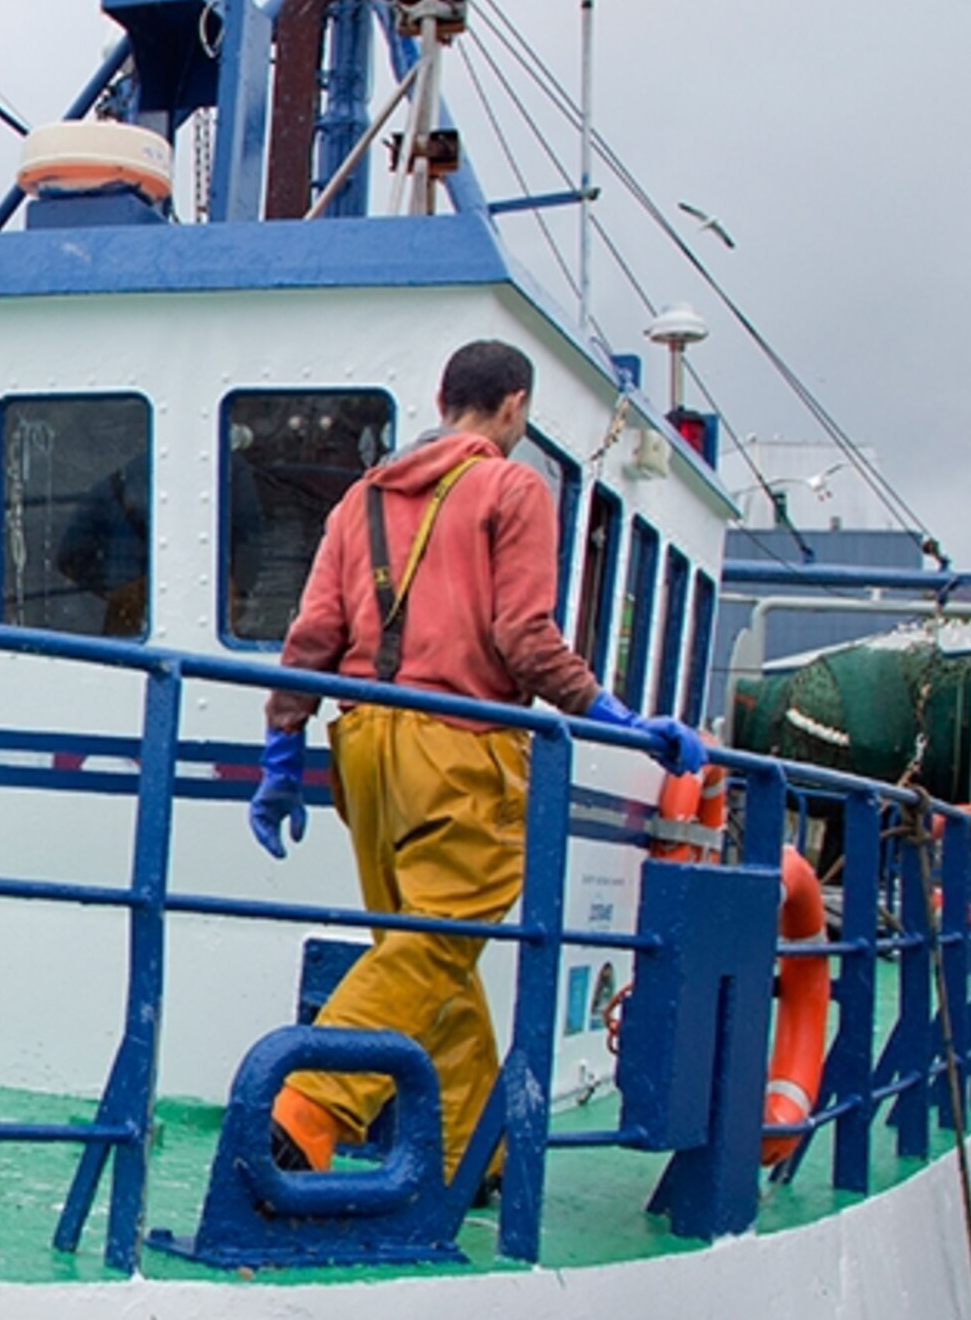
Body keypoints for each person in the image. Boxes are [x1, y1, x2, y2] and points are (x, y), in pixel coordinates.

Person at [247, 338, 703, 1180]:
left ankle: (472, 1156)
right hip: (460, 747)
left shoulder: (360, 502)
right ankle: (308, 1105)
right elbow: (523, 639)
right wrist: (616, 716)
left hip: (365, 752)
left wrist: (283, 749)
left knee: (424, 954)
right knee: (435, 947)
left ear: (441, 398)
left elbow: (311, 638)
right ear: (515, 406)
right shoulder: (511, 486)